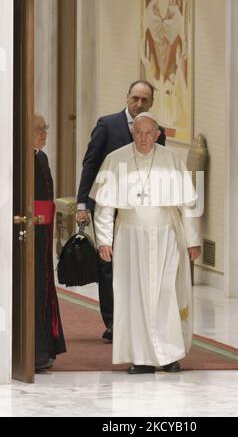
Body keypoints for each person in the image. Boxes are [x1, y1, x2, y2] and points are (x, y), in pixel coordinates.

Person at [92, 112, 202, 373]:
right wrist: (104, 240)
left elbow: (189, 205)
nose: (142, 138)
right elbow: (104, 206)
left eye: (148, 133)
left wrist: (193, 240)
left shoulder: (172, 160)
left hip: (167, 237)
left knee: (167, 294)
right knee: (134, 295)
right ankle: (140, 358)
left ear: (157, 134)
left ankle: (169, 356)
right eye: (138, 133)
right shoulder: (115, 159)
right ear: (133, 133)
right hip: (130, 238)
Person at [76, 80, 166, 342]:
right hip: (109, 206)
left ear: (151, 103)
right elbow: (90, 166)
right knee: (108, 264)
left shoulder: (157, 131)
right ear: (127, 97)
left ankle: (137, 318)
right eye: (135, 98)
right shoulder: (107, 125)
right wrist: (84, 205)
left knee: (136, 264)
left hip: (141, 211)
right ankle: (113, 321)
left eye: (145, 100)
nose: (139, 104)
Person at [33, 115, 66, 371]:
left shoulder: (41, 157)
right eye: (38, 129)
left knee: (44, 286)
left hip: (43, 233)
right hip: (27, 234)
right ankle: (33, 349)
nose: (44, 133)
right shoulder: (17, 157)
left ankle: (46, 348)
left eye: (46, 128)